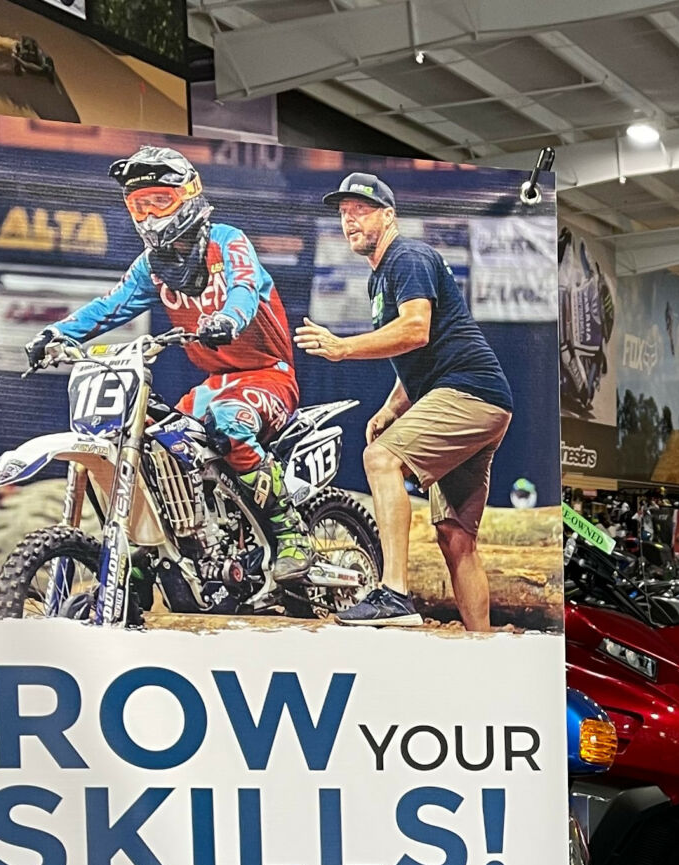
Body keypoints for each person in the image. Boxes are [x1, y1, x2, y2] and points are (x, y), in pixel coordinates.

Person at [25, 147, 312, 582]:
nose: (151, 214)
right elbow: (109, 307)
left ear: (189, 196)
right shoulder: (151, 268)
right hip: (213, 383)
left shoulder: (227, 241)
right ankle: (163, 549)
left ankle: (289, 532)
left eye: (161, 200)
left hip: (269, 376)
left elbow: (245, 288)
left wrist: (229, 318)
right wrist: (56, 334)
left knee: (230, 423)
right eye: (140, 205)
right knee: (160, 443)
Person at [294, 172, 514, 632]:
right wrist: (392, 408)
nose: (349, 220)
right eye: (343, 213)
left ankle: (393, 593)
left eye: (361, 210)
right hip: (482, 399)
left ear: (389, 216)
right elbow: (420, 355)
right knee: (456, 539)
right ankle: (484, 649)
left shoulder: (406, 256)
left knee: (379, 458)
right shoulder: (384, 276)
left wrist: (343, 347)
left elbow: (416, 330)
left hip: (467, 393)